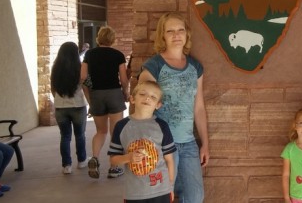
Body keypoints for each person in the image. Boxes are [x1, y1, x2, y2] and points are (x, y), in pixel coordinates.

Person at [138, 12, 209, 203]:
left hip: (188, 144)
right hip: (162, 144)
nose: (176, 35)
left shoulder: (195, 67)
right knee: (161, 196)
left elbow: (199, 107)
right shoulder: (154, 66)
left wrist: (205, 143)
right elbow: (141, 105)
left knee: (195, 197)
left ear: (187, 34)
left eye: (180, 30)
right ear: (163, 35)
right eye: (170, 31)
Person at [109, 81, 176, 203]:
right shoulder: (121, 126)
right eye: (142, 94)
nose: (147, 98)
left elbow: (169, 160)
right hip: (134, 193)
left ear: (158, 105)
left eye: (153, 97)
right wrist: (128, 157)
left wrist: (170, 186)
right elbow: (113, 159)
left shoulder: (162, 126)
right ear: (132, 99)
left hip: (161, 190)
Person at [81, 26, 129, 179]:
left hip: (96, 95)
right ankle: (114, 168)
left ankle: (94, 158)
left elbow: (83, 78)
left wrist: (90, 100)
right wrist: (125, 92)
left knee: (101, 131)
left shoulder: (89, 54)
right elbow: (123, 79)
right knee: (115, 133)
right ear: (112, 39)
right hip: (114, 93)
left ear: (99, 38)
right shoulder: (118, 55)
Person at [51, 42, 89, 175]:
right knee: (80, 135)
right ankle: (82, 161)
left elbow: (53, 88)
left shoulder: (55, 69)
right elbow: (86, 85)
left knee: (65, 136)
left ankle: (66, 165)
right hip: (78, 105)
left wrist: (58, 100)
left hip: (61, 107)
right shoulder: (80, 67)